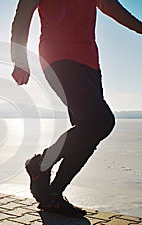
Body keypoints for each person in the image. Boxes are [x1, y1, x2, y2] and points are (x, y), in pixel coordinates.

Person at [11, 0, 142, 217]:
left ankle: (53, 196)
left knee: (89, 129)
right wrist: (20, 59)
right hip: (58, 56)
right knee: (101, 121)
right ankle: (41, 163)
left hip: (90, 60)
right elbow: (24, 12)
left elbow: (109, 5)